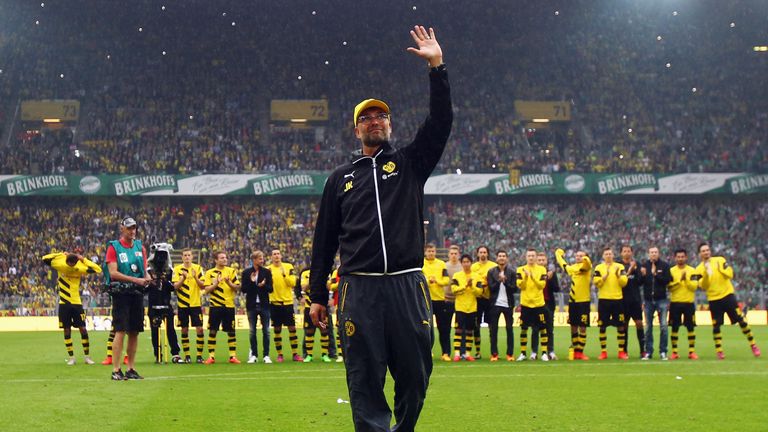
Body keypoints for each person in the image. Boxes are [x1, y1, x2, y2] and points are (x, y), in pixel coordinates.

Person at [308, 25, 451, 432]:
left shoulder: (409, 163)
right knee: (364, 381)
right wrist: (317, 294)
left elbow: (441, 122)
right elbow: (323, 243)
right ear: (356, 129)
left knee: (416, 377)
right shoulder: (340, 178)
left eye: (381, 115)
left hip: (407, 285)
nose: (375, 121)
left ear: (390, 125)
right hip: (360, 289)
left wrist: (436, 67)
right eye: (366, 117)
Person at [695, 243, 760, 359]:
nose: (706, 252)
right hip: (714, 300)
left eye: (707, 250)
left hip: (727, 296)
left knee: (741, 321)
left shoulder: (720, 260)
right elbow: (703, 286)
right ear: (700, 254)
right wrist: (706, 274)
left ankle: (753, 345)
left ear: (710, 251)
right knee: (716, 326)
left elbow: (730, 274)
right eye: (703, 251)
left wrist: (721, 270)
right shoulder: (699, 269)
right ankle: (719, 350)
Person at [105, 216, 151, 380]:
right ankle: (116, 370)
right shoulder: (114, 247)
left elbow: (144, 269)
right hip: (121, 294)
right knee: (120, 330)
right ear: (122, 228)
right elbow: (113, 273)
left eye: (134, 228)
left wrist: (147, 278)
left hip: (137, 293)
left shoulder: (140, 247)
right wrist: (136, 280)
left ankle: (130, 368)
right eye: (129, 228)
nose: (133, 231)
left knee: (134, 332)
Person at [42, 249, 102, 365]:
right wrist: (60, 254)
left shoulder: (79, 267)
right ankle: (71, 358)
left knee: (83, 329)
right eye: (70, 264)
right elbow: (44, 258)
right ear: (66, 261)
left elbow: (98, 269)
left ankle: (87, 357)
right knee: (67, 330)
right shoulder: (60, 264)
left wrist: (82, 258)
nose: (71, 266)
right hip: (64, 303)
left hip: (76, 303)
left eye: (73, 264)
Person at [202, 251, 241, 364]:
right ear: (216, 260)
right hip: (215, 305)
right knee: (213, 331)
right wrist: (215, 284)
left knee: (231, 331)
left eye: (225, 257)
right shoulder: (210, 273)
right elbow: (206, 290)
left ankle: (232, 356)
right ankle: (211, 357)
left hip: (229, 305)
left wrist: (229, 283)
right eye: (222, 258)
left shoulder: (231, 271)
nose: (225, 259)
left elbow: (237, 287)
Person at [555, 248, 593, 360]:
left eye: (581, 255)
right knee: (573, 326)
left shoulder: (587, 266)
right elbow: (564, 265)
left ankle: (581, 352)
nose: (578, 257)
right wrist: (558, 255)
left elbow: (588, 263)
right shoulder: (573, 268)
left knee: (583, 327)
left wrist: (585, 257)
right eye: (577, 255)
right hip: (573, 302)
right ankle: (575, 351)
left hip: (584, 301)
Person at [593, 246, 629, 360]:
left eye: (610, 254)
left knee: (621, 326)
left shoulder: (619, 267)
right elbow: (596, 283)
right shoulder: (599, 268)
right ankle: (603, 352)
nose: (608, 256)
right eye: (606, 254)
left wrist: (618, 276)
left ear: (613, 255)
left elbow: (624, 283)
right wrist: (603, 278)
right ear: (603, 256)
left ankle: (621, 352)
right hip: (604, 300)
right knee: (602, 326)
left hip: (617, 300)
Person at [172, 248, 206, 363]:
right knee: (184, 330)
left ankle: (199, 356)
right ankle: (187, 356)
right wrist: (183, 278)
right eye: (185, 255)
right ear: (182, 257)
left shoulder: (198, 268)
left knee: (200, 329)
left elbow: (203, 286)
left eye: (189, 255)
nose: (187, 257)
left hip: (196, 304)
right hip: (183, 305)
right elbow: (175, 286)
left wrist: (195, 277)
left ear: (192, 257)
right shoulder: (177, 269)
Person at [267, 249, 302, 362]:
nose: (276, 256)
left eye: (278, 254)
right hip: (274, 303)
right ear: (271, 257)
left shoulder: (288, 266)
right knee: (277, 330)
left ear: (281, 256)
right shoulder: (268, 269)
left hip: (287, 303)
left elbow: (292, 283)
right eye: (274, 254)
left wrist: (284, 275)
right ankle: (280, 354)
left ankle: (295, 354)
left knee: (292, 329)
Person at [515, 249, 550, 361]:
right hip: (525, 304)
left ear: (536, 257)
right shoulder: (520, 270)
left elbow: (541, 286)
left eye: (533, 255)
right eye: (529, 255)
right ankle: (523, 353)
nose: (531, 257)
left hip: (539, 304)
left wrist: (532, 277)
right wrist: (525, 277)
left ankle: (544, 352)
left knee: (542, 328)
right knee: (524, 329)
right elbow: (521, 286)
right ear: (526, 257)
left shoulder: (542, 269)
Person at [639, 246, 672, 360]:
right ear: (648, 254)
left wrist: (656, 275)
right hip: (648, 300)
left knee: (663, 326)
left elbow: (668, 280)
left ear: (659, 254)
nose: (653, 254)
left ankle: (663, 351)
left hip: (661, 299)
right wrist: (642, 275)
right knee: (648, 327)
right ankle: (648, 351)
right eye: (651, 252)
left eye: (655, 252)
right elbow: (639, 283)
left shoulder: (665, 265)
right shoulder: (644, 266)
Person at [241, 250, 273, 364]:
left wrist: (263, 286)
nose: (262, 260)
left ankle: (266, 355)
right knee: (252, 332)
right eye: (260, 258)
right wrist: (251, 282)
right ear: (254, 260)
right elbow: (243, 290)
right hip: (251, 306)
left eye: (262, 258)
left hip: (264, 305)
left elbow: (271, 289)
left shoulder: (267, 272)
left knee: (266, 331)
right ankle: (254, 355)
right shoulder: (246, 273)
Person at [422, 243, 452, 362]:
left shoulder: (441, 264)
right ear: (425, 252)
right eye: (429, 251)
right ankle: (428, 351)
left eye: (433, 251)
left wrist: (437, 281)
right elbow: (419, 279)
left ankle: (446, 353)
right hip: (425, 300)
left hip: (439, 300)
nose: (431, 253)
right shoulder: (421, 264)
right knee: (426, 328)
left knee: (443, 328)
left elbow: (446, 280)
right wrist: (429, 281)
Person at [451, 254, 483, 361]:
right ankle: (457, 354)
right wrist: (465, 285)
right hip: (460, 307)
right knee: (458, 330)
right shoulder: (456, 275)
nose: (466, 264)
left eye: (468, 262)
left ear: (471, 263)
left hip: (472, 307)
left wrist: (472, 286)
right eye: (464, 262)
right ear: (461, 263)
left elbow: (479, 292)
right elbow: (454, 290)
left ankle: (468, 354)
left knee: (470, 331)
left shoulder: (477, 276)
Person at [668, 249, 699, 360]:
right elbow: (670, 288)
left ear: (686, 257)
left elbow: (694, 287)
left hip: (688, 303)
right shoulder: (671, 271)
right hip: (675, 303)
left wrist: (686, 280)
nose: (680, 259)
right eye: (678, 257)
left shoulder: (693, 270)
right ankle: (675, 352)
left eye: (682, 256)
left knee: (690, 328)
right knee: (674, 328)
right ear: (675, 258)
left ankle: (691, 351)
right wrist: (679, 281)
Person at [486, 250, 516, 362]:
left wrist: (506, 282)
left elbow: (514, 289)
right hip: (495, 304)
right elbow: (490, 287)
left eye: (504, 256)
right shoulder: (491, 272)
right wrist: (499, 281)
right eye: (500, 256)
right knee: (493, 330)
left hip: (508, 304)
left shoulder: (512, 272)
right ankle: (494, 354)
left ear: (507, 258)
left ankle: (510, 354)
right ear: (496, 258)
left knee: (509, 329)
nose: (502, 258)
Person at [470, 245, 496, 359]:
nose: (483, 254)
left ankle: (493, 352)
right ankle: (478, 351)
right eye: (481, 252)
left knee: (491, 326)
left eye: (485, 252)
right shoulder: (473, 267)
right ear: (477, 254)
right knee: (476, 326)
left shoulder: (493, 266)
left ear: (488, 254)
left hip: (490, 299)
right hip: (478, 299)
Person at [299, 268, 332, 362]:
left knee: (324, 329)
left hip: (322, 306)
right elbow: (304, 288)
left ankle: (324, 355)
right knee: (309, 331)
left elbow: (328, 287)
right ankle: (309, 355)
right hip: (309, 306)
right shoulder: (305, 273)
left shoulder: (325, 272)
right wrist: (316, 280)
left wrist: (317, 281)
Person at [619, 245, 646, 359]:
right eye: (624, 251)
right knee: (624, 326)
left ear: (632, 252)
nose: (627, 253)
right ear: (621, 253)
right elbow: (621, 281)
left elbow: (640, 282)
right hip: (622, 300)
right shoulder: (619, 266)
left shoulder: (637, 264)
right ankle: (624, 351)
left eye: (628, 251)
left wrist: (643, 275)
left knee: (639, 323)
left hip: (635, 300)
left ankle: (642, 351)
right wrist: (630, 270)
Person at [532, 251, 559, 360]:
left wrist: (550, 279)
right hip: (535, 303)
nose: (541, 262)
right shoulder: (533, 273)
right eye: (539, 260)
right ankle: (534, 352)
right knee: (535, 329)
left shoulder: (551, 273)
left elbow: (557, 289)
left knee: (549, 328)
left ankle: (550, 351)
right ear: (536, 261)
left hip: (548, 304)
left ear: (546, 261)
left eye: (543, 260)